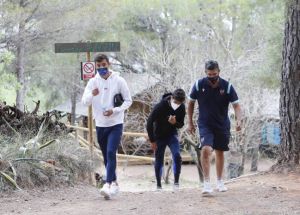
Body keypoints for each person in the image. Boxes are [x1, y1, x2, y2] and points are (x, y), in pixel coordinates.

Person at [187, 60, 242, 195]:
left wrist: (239, 120)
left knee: (219, 151)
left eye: (215, 74)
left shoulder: (227, 86)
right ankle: (206, 184)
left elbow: (236, 105)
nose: (212, 76)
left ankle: (219, 181)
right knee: (205, 149)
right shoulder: (198, 85)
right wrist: (190, 122)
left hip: (222, 124)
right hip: (205, 124)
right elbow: (190, 103)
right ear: (205, 73)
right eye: (209, 74)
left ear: (219, 72)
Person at [82, 54, 132, 199]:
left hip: (116, 123)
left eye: (104, 65)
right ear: (96, 66)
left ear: (108, 64)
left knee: (111, 152)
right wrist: (92, 94)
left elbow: (128, 101)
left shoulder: (119, 80)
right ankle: (114, 183)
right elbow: (85, 102)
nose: (101, 68)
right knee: (106, 156)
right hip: (100, 124)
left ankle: (107, 184)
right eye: (98, 66)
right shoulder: (92, 82)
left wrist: (114, 110)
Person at [146, 89, 186, 190]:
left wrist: (175, 123)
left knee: (177, 156)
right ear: (172, 98)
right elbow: (149, 122)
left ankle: (176, 183)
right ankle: (159, 185)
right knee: (159, 159)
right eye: (176, 102)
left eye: (180, 103)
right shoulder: (160, 106)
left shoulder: (181, 107)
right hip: (159, 135)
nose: (177, 104)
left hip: (171, 134)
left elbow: (181, 124)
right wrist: (152, 140)